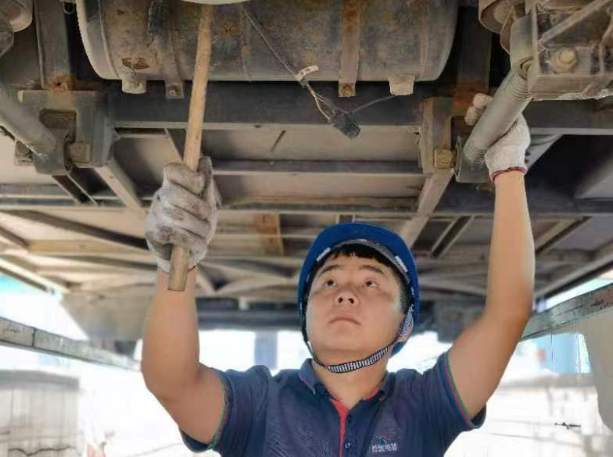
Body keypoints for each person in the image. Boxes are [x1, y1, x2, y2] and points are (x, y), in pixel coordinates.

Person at [141, 94, 535, 456]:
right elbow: (174, 384)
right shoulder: (259, 404)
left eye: (371, 282)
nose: (344, 293)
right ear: (306, 316)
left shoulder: (426, 404)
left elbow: (508, 314)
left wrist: (509, 168)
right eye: (328, 282)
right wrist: (177, 264)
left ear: (405, 324)